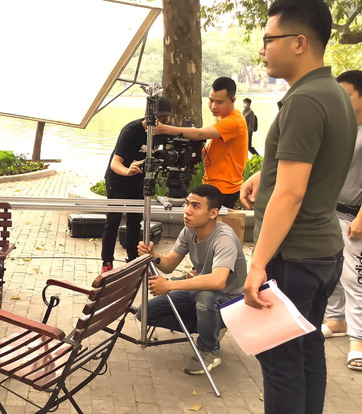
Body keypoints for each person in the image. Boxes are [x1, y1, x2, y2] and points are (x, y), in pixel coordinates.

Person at [239, 1, 357, 413]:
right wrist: (266, 172)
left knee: (281, 362)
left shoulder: (305, 100)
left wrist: (257, 265)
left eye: (269, 39)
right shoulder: (335, 93)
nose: (262, 50)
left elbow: (290, 195)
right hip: (324, 251)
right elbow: (315, 162)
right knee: (307, 352)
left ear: (299, 42)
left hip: (293, 255)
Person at [135, 184, 247, 374]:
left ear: (213, 213)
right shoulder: (189, 231)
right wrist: (154, 255)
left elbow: (218, 281)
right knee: (145, 313)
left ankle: (209, 349)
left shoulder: (224, 238)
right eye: (187, 203)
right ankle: (210, 328)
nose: (187, 210)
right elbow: (169, 264)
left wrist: (170, 285)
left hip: (229, 301)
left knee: (206, 296)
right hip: (200, 291)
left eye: (196, 206)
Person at [100, 97, 173, 273]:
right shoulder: (130, 131)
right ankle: (107, 263)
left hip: (139, 179)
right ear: (149, 117)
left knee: (135, 221)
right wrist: (127, 171)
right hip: (118, 178)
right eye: (159, 121)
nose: (162, 125)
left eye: (166, 121)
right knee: (113, 220)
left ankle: (132, 261)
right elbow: (115, 163)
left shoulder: (164, 130)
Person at [153, 77, 248, 209]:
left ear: (233, 100)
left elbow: (200, 134)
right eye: (211, 100)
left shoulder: (234, 121)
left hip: (225, 188)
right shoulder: (222, 117)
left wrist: (164, 129)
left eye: (219, 102)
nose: (213, 106)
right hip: (214, 184)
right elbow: (214, 145)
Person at [322, 69, 362, 371]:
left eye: (346, 94)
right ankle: (336, 320)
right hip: (330, 210)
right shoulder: (342, 127)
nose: (341, 100)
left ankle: (358, 338)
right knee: (333, 269)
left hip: (354, 214)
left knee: (354, 276)